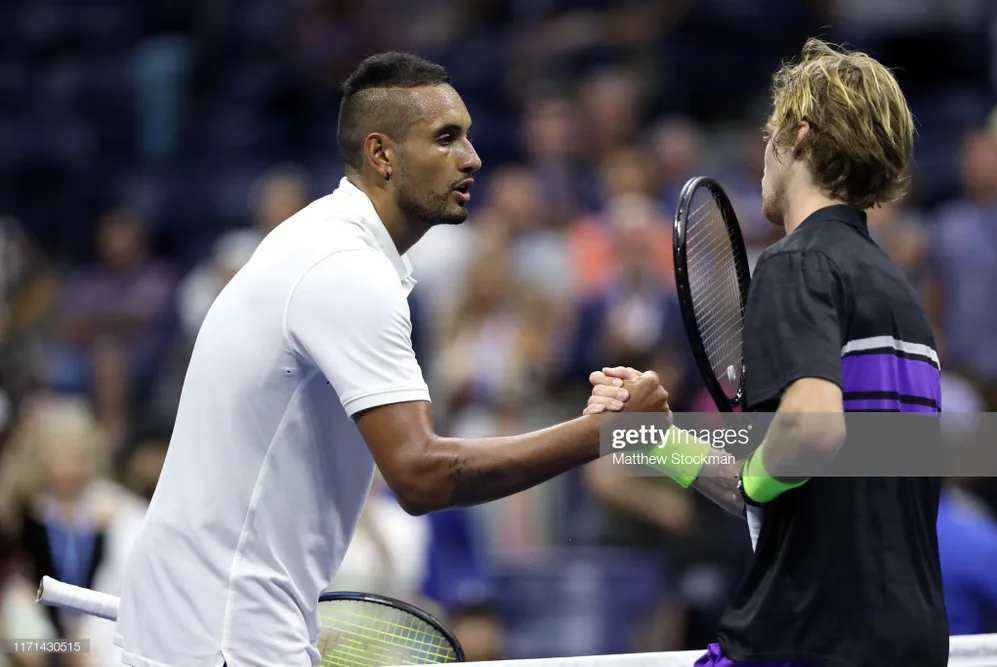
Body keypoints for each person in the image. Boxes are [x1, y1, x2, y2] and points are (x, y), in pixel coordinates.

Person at [111, 52, 672, 667]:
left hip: (209, 624)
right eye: (446, 138)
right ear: (382, 155)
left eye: (468, 135)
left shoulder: (322, 243)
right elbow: (423, 474)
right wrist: (603, 434)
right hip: (223, 635)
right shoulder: (346, 269)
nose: (473, 157)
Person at [589, 38, 947, 667]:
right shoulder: (900, 294)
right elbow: (798, 479)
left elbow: (808, 433)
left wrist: (756, 481)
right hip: (907, 642)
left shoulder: (796, 263)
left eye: (770, 136)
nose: (763, 156)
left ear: (800, 138)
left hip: (805, 638)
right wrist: (654, 441)